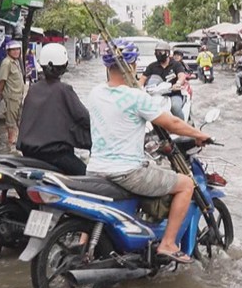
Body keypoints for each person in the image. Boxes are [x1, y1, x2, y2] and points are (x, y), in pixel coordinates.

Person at [87, 41, 212, 264]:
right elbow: (173, 122)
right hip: (126, 173)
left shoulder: (95, 93)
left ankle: (82, 241)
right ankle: (168, 243)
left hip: (94, 170)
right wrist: (198, 134)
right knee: (186, 184)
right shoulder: (136, 97)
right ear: (133, 65)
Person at [16, 43, 91, 175]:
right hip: (55, 155)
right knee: (87, 176)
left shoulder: (33, 89)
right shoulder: (64, 90)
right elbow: (84, 117)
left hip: (28, 153)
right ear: (64, 66)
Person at [139, 44, 188, 120]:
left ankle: (183, 129)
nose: (158, 54)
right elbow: (142, 79)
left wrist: (178, 83)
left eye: (160, 52)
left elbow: (182, 75)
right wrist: (138, 88)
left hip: (173, 94)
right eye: (156, 52)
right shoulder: (152, 66)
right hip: (156, 95)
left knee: (175, 107)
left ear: (167, 53)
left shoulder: (176, 64)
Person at [0, 40, 26, 150]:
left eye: (18, 49)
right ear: (8, 51)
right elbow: (1, 81)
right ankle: (10, 146)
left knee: (18, 122)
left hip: (18, 96)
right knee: (11, 123)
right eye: (13, 50)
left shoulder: (16, 62)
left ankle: (15, 144)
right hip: (11, 97)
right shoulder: (6, 63)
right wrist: (0, 93)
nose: (16, 51)